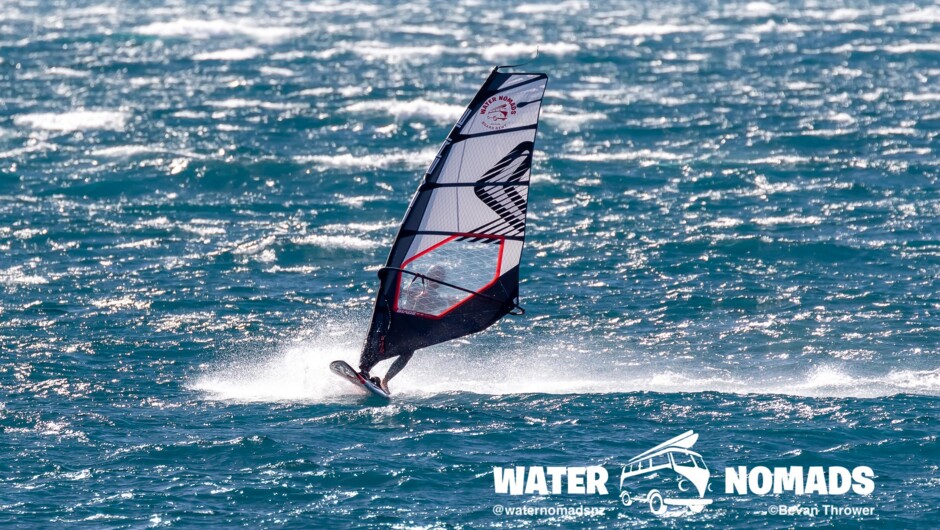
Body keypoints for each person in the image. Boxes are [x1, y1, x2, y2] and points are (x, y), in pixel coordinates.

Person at [358, 265, 447, 394]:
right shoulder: (416, 286)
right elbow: (403, 292)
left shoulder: (437, 297)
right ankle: (365, 369)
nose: (438, 278)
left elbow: (441, 304)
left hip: (413, 329)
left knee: (408, 352)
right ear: (428, 276)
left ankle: (385, 381)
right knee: (381, 344)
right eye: (435, 275)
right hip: (399, 321)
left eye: (441, 276)